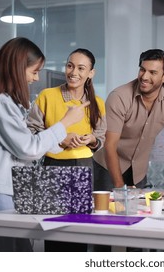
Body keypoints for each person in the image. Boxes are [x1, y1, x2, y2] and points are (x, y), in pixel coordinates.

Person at [0, 37, 89, 252]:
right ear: (17, 69)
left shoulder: (2, 100)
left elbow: (22, 144)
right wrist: (64, 123)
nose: (36, 78)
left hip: (4, 189)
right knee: (2, 256)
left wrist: (62, 140)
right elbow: (28, 148)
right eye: (34, 71)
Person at [27, 48, 105, 252]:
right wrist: (61, 138)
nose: (73, 72)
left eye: (81, 68)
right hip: (52, 167)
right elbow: (31, 131)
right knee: (54, 230)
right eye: (70, 66)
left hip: (84, 168)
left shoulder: (98, 103)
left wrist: (92, 139)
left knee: (78, 231)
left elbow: (101, 138)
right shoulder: (47, 96)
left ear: (91, 73)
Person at [93, 49, 164, 191]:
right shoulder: (119, 97)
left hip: (138, 172)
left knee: (139, 211)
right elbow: (110, 145)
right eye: (142, 70)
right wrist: (121, 189)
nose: (144, 76)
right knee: (108, 211)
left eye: (153, 72)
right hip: (107, 168)